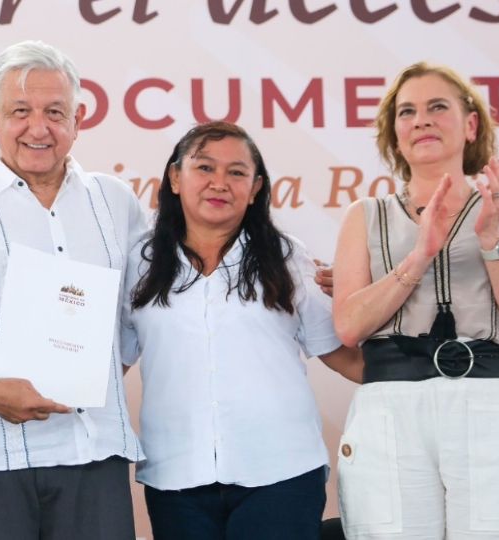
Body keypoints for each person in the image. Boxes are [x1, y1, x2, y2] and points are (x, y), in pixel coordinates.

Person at [0, 41, 145, 540]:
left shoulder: (115, 201)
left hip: (92, 448)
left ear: (77, 120)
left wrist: (87, 371)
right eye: (21, 111)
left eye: (55, 113)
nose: (39, 128)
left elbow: (137, 313)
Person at [332, 62, 499, 539]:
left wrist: (491, 239)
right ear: (395, 133)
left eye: (437, 107)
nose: (422, 120)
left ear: (471, 125)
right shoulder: (364, 216)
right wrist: (419, 256)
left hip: (491, 401)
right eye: (407, 111)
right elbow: (348, 327)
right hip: (390, 407)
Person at [120, 121, 362, 540]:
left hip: (281, 473)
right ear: (175, 178)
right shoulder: (140, 264)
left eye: (236, 173)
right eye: (204, 168)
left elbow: (344, 357)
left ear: (255, 188)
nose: (220, 183)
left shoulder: (288, 258)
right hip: (177, 477)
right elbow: (110, 363)